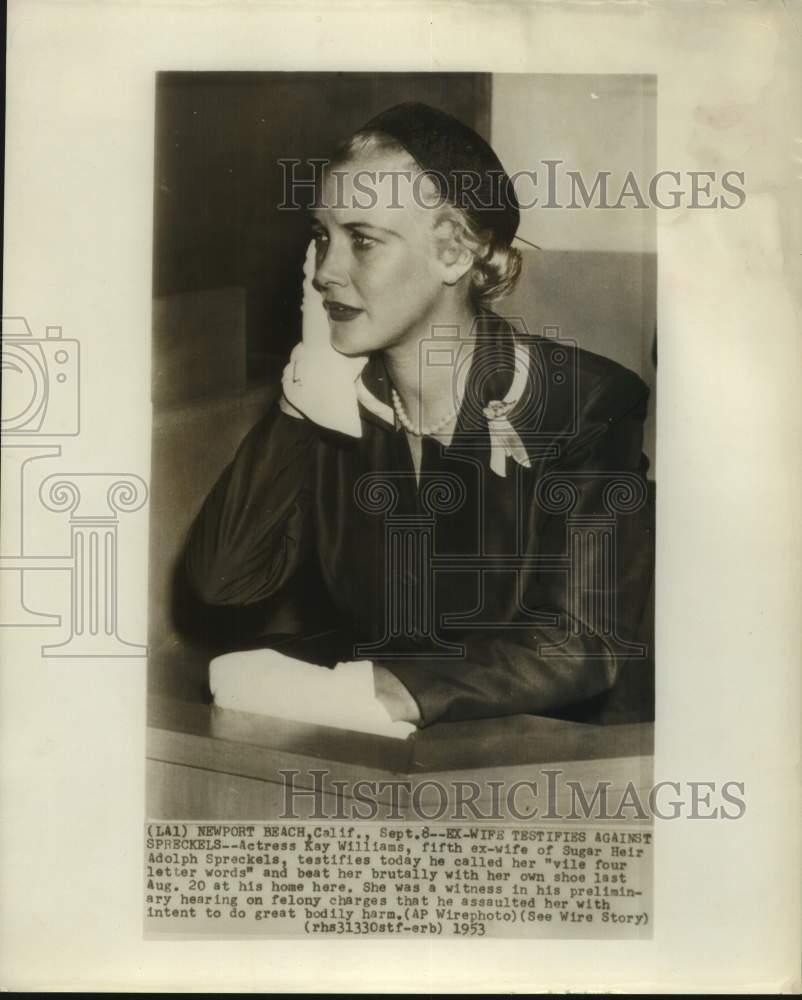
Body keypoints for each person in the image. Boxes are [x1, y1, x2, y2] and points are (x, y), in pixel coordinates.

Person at [185, 102, 654, 729]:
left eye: (362, 240)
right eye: (322, 237)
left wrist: (370, 695)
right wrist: (300, 402)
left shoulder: (588, 404)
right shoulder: (335, 402)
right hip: (406, 752)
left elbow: (579, 645)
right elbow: (223, 581)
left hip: (563, 749)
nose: (324, 272)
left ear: (454, 252)